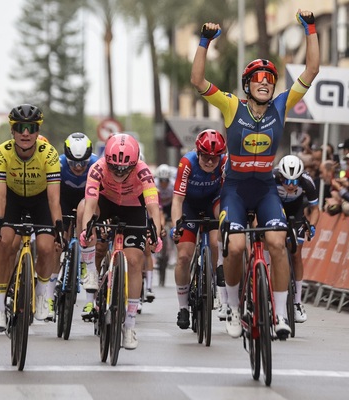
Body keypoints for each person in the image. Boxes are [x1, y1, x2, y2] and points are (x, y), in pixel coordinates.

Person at [191, 9, 319, 339]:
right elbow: (197, 81)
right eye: (258, 80)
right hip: (234, 188)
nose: (265, 83)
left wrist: (312, 30)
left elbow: (312, 69)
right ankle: (232, 307)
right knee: (233, 248)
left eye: (270, 79)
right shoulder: (232, 105)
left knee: (277, 243)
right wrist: (204, 41)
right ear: (248, 86)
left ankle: (279, 314)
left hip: (264, 188)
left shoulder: (281, 105)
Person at [80, 133, 162, 350]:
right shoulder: (97, 168)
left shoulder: (144, 171)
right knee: (82, 210)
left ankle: (130, 325)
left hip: (133, 208)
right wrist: (87, 231)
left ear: (134, 164)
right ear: (107, 160)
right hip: (106, 203)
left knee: (135, 261)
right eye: (114, 167)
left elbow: (154, 208)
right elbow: (90, 205)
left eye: (124, 169)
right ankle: (90, 271)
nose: (118, 172)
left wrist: (157, 235)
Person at [0, 104, 63, 331]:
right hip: (12, 199)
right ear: (12, 131)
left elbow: (53, 199)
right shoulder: (1, 152)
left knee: (46, 246)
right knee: (4, 242)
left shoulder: (49, 154)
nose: (25, 133)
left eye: (30, 128)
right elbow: (0, 198)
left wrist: (58, 227)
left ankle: (41, 296)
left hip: (40, 199)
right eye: (20, 127)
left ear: (36, 130)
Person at [171, 129, 227, 329]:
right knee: (184, 256)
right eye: (206, 156)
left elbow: (228, 196)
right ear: (198, 152)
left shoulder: (224, 163)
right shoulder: (187, 163)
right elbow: (177, 199)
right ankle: (183, 307)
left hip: (213, 201)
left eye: (215, 158)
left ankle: (217, 272)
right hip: (190, 206)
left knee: (215, 240)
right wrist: (177, 224)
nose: (210, 162)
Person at [48, 132, 98, 321]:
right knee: (57, 244)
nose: (78, 168)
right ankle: (50, 296)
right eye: (73, 163)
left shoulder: (96, 164)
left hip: (87, 202)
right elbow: (52, 198)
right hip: (63, 201)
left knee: (88, 225)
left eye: (82, 163)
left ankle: (90, 300)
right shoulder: (58, 164)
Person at [274, 155, 319, 322]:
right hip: (276, 208)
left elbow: (315, 209)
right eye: (286, 181)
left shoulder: (307, 181)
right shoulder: (271, 178)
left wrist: (312, 225)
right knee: (273, 246)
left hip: (296, 212)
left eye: (295, 182)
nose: (291, 186)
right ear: (280, 176)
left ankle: (297, 302)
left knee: (296, 253)